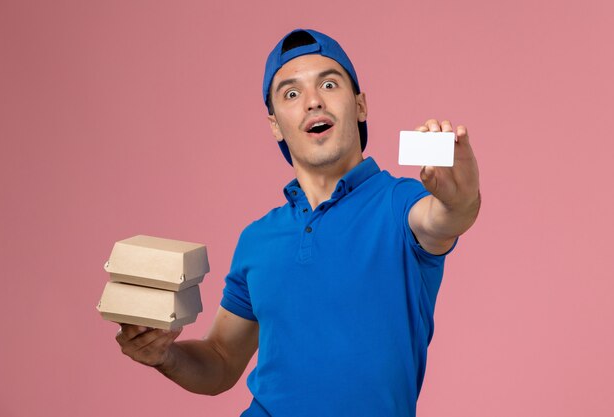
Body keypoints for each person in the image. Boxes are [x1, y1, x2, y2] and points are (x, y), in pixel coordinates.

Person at [115, 28, 480, 416]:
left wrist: (461, 195)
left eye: (328, 83)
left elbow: (445, 217)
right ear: (275, 125)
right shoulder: (258, 239)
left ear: (360, 106)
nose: (312, 102)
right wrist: (164, 355)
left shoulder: (400, 202)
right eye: (291, 93)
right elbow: (220, 360)